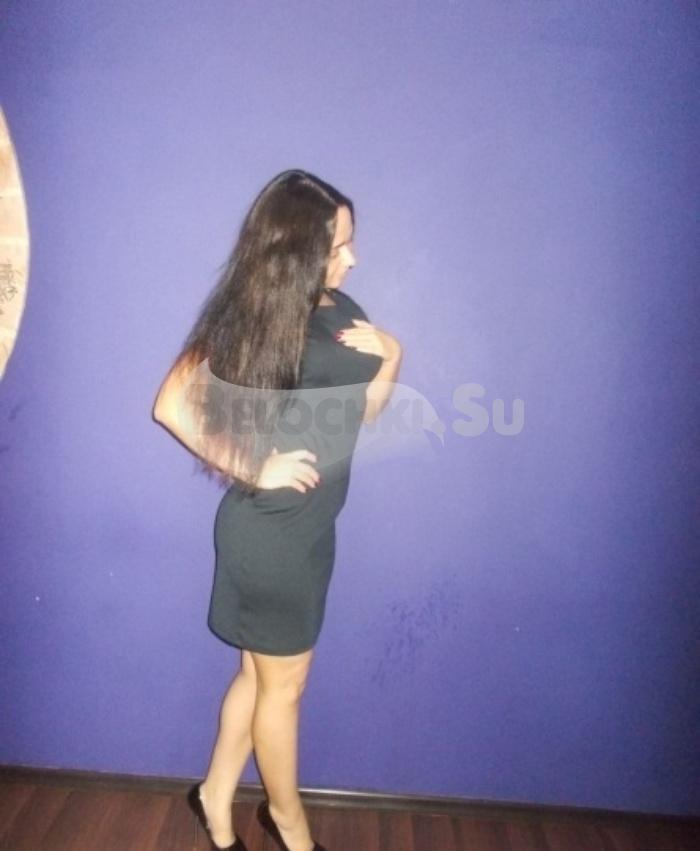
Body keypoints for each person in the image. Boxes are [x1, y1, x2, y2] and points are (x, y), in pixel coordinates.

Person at [152, 169, 402, 851]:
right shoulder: (255, 316)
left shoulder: (340, 306)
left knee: (258, 676)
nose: (351, 258)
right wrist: (253, 466)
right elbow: (170, 403)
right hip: (270, 536)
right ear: (294, 251)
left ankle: (213, 796)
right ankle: (289, 825)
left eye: (349, 242)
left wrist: (392, 356)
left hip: (312, 532)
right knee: (284, 692)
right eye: (337, 247)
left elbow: (366, 411)